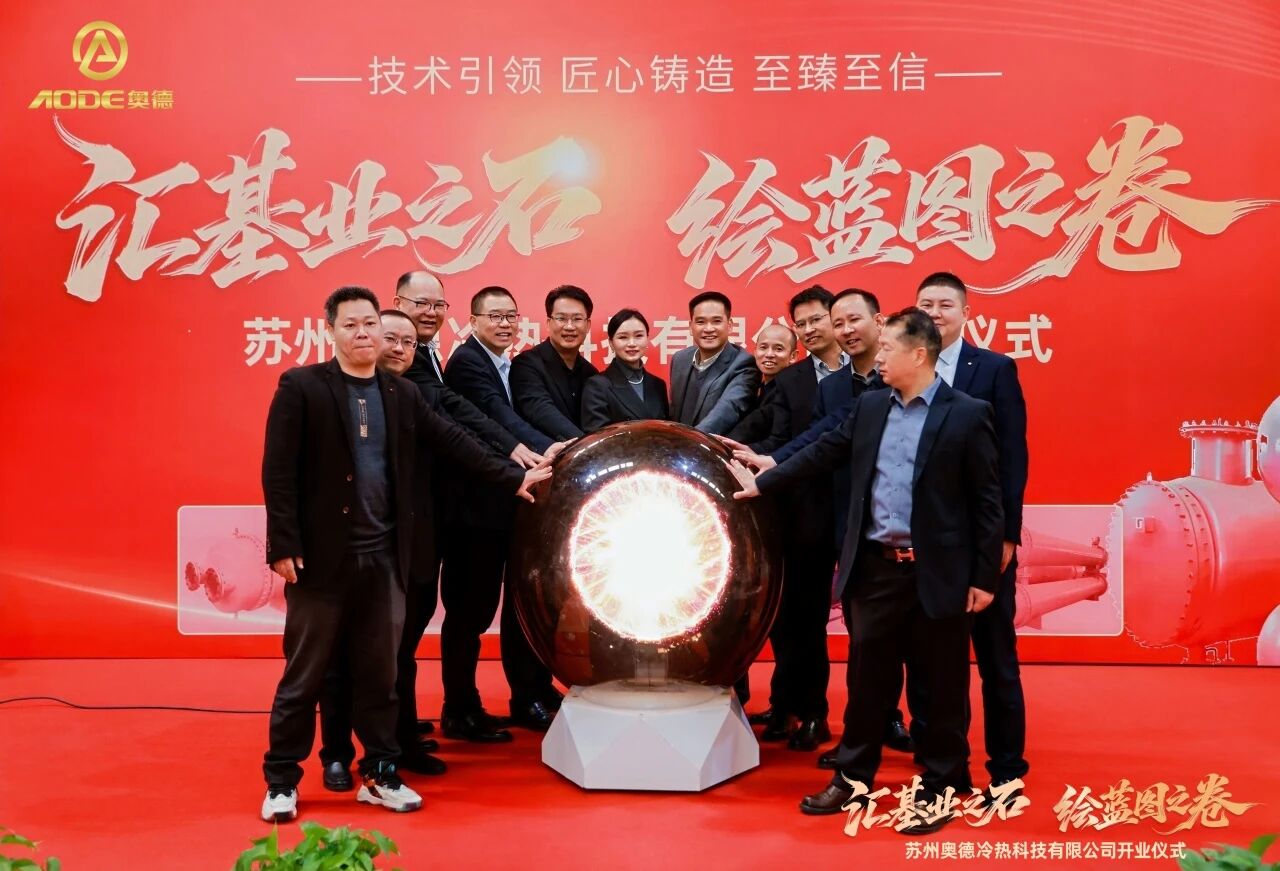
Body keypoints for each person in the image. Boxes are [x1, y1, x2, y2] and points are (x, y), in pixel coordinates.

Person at [259, 286, 548, 822]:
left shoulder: (401, 393)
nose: (363, 334)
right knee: (304, 675)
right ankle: (281, 780)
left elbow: (456, 441)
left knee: (380, 675)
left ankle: (381, 772)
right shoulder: (302, 387)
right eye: (352, 325)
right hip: (321, 563)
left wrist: (514, 477)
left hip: (385, 560)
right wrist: (284, 544)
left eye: (370, 324)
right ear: (331, 330)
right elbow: (279, 473)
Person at [729, 308, 1003, 835]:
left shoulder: (968, 414)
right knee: (867, 682)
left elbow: (986, 503)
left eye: (888, 350)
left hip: (939, 573)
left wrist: (984, 577)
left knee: (940, 686)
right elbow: (824, 450)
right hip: (875, 570)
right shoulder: (872, 406)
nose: (878, 359)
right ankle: (854, 778)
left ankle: (942, 784)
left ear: (918, 355)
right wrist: (765, 481)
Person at [907, 271, 1030, 794]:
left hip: (983, 538)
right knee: (933, 664)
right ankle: (943, 767)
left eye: (945, 305)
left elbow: (1013, 457)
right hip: (926, 543)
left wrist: (1006, 537)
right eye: (926, 304)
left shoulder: (995, 369)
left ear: (965, 313)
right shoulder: (906, 368)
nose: (935, 313)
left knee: (997, 661)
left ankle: (1007, 769)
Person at [440, 286, 565, 740]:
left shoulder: (507, 364)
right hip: (473, 515)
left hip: (504, 508)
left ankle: (523, 693)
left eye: (511, 315)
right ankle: (459, 708)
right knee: (468, 615)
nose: (504, 323)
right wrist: (544, 449)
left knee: (514, 606)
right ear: (473, 321)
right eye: (494, 316)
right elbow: (495, 417)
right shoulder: (467, 363)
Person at [733, 286, 845, 751]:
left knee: (851, 624)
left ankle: (870, 716)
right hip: (800, 515)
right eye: (803, 323)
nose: (811, 328)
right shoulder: (790, 380)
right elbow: (776, 440)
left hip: (856, 513)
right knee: (792, 617)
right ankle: (795, 708)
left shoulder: (868, 374)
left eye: (818, 319)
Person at [510, 285, 599, 439]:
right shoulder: (526, 365)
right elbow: (540, 411)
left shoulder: (590, 373)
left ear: (588, 325)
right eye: (561, 318)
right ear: (548, 323)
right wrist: (586, 445)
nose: (569, 326)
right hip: (545, 452)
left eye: (577, 319)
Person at [669, 291, 761, 434]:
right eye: (700, 322)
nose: (709, 329)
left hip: (716, 446)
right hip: (679, 445)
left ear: (730, 325)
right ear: (691, 327)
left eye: (717, 321)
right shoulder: (680, 359)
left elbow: (727, 411)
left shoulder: (744, 364)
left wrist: (690, 441)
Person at [581, 309, 669, 430]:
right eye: (623, 337)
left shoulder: (658, 385)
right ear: (611, 343)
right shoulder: (597, 386)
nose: (632, 343)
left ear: (647, 339)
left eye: (639, 336)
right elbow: (596, 436)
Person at [726, 322, 797, 445]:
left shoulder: (789, 391)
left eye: (778, 349)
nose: (769, 354)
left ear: (793, 356)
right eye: (763, 347)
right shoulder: (761, 386)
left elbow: (754, 426)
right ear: (755, 352)